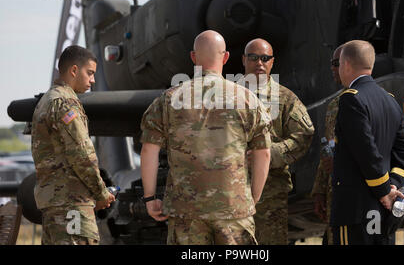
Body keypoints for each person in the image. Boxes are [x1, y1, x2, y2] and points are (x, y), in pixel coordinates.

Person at [140, 30, 272, 245]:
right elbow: (264, 153)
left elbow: (149, 150)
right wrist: (251, 199)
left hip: (185, 213)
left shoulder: (168, 100)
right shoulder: (248, 100)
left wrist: (149, 197)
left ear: (193, 57)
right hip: (234, 209)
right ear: (226, 57)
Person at [331, 40, 404, 245]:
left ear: (347, 64)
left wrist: (384, 191)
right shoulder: (390, 100)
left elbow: (366, 151)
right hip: (385, 212)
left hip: (356, 208)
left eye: (339, 64)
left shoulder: (351, 99)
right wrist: (394, 187)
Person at [31, 45, 115, 245]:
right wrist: (101, 193)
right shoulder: (65, 103)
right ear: (74, 70)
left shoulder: (45, 101)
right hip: (72, 205)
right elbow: (82, 154)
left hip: (53, 206)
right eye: (90, 73)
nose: (92, 80)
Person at [239, 38, 315, 245]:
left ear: (272, 62)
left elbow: (304, 134)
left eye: (265, 58)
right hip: (230, 193)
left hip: (270, 198)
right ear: (244, 60)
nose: (259, 63)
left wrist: (270, 155)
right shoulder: (226, 97)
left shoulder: (285, 99)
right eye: (253, 58)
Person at [311, 44, 344, 245]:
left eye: (335, 63)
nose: (331, 68)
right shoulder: (334, 105)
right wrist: (319, 191)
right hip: (334, 197)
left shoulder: (368, 101)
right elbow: (327, 151)